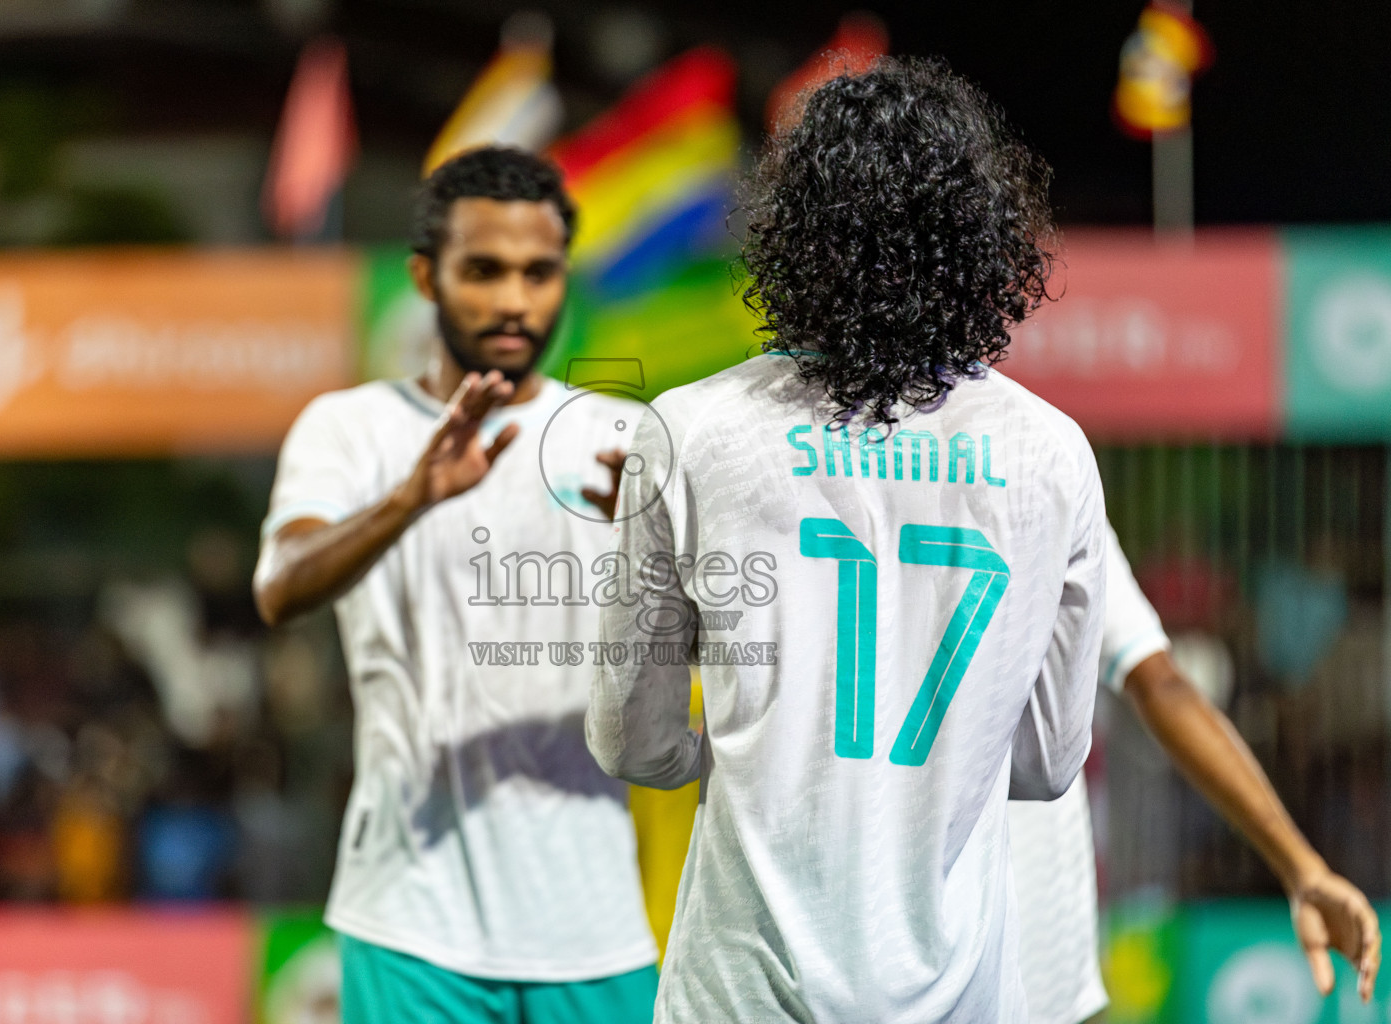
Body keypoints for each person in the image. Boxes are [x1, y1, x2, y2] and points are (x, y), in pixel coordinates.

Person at [587, 58, 1106, 1022]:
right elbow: (1045, 761)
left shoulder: (689, 430)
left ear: (795, 236)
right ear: (982, 239)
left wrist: (732, 753)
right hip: (958, 997)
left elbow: (631, 737)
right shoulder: (1050, 453)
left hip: (737, 993)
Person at [253, 146, 658, 1024]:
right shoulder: (350, 429)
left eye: (539, 272)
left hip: (594, 924)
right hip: (409, 921)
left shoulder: (624, 438)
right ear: (424, 278)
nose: (514, 300)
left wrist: (667, 563)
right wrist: (409, 499)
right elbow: (280, 587)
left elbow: (716, 656)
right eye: (483, 270)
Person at [1009, 524, 1382, 1023]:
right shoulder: (1054, 471)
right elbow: (1163, 687)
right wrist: (1302, 868)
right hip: (1032, 950)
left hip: (920, 937)